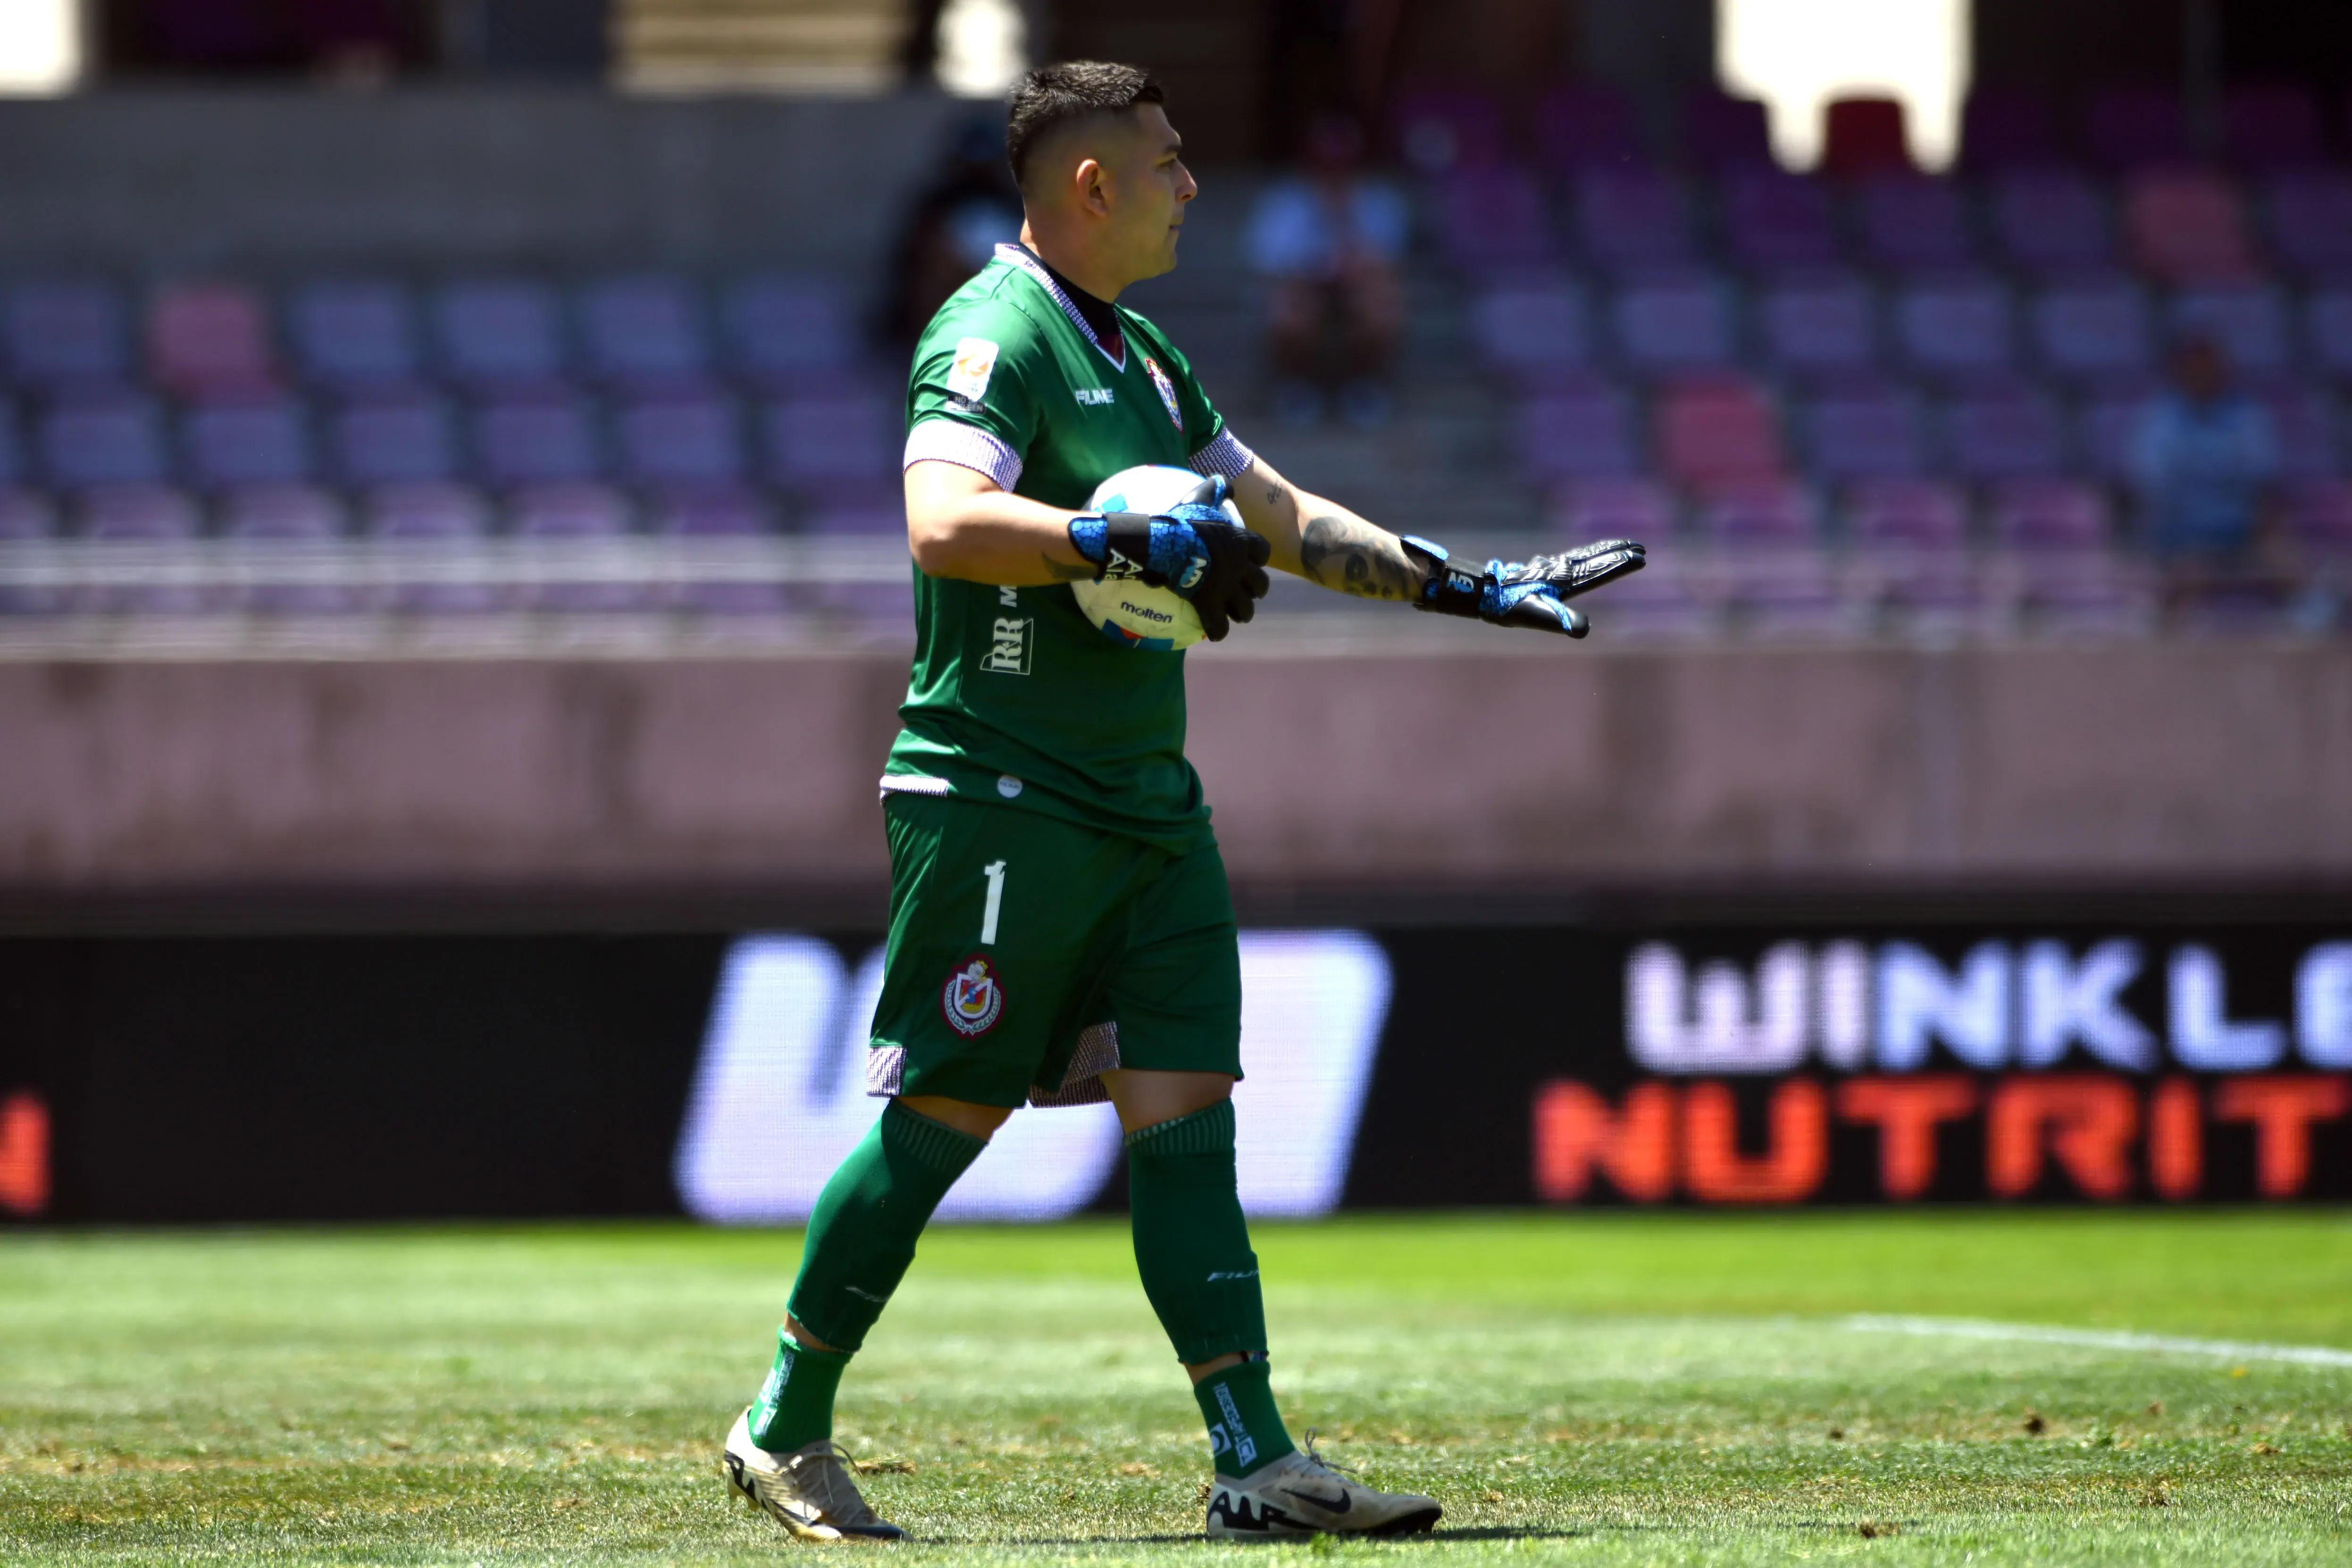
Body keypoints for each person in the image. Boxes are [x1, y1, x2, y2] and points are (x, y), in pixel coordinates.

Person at [719, 61, 1645, 1544]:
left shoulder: (1143, 355)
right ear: (1089, 182)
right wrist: (1107, 533)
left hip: (1147, 801)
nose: (1188, 182)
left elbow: (1272, 517)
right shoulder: (989, 325)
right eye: (1163, 159)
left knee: (1186, 1112)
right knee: (944, 1115)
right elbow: (939, 521)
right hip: (998, 789)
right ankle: (779, 1425)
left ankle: (1254, 1458)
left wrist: (1464, 583)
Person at [1244, 115, 1410, 428]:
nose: (1335, 175)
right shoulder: (1284, 201)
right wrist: (1313, 273)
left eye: (1343, 165)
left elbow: (1387, 266)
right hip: (1304, 290)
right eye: (1327, 165)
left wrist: (1355, 270)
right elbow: (1269, 266)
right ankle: (1297, 386)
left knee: (1382, 304)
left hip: (1358, 290)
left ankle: (1364, 386)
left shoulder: (1379, 201)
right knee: (1286, 307)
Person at [2128, 334, 2281, 608]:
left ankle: (2308, 626)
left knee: (2284, 559)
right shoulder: (2163, 420)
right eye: (2194, 367)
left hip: (2238, 529)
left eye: (2208, 366)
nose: (2202, 374)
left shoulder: (2244, 415)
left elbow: (2261, 479)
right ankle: (2172, 636)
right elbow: (2153, 485)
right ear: (2181, 372)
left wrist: (2260, 525)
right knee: (2193, 571)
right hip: (2183, 533)